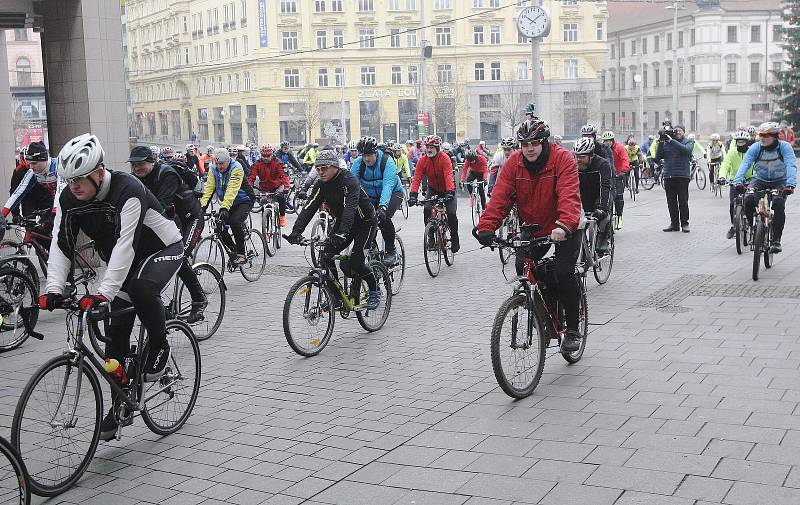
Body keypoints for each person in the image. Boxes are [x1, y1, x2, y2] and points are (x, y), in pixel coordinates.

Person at [40, 133, 184, 441]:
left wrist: (104, 292)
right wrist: (53, 287)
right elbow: (61, 245)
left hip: (161, 249)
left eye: (79, 178)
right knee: (115, 337)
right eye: (68, 180)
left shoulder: (127, 189)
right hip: (126, 262)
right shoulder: (70, 200)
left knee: (144, 290)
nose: (73, 186)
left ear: (98, 171)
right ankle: (121, 404)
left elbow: (125, 246)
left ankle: (160, 344)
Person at [475, 118, 583, 352]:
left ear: (544, 142)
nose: (530, 148)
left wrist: (564, 225)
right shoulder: (514, 163)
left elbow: (569, 196)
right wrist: (486, 227)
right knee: (522, 266)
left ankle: (572, 329)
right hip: (534, 226)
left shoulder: (562, 159)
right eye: (524, 144)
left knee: (564, 273)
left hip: (565, 226)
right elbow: (500, 198)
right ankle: (543, 310)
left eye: (534, 142)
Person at [286, 149, 381, 309]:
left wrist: (342, 233)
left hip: (365, 223)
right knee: (326, 255)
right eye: (318, 168)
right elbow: (309, 207)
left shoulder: (349, 180)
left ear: (335, 167)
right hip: (344, 222)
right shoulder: (321, 184)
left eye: (324, 168)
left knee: (356, 262)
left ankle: (374, 289)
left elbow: (350, 208)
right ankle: (335, 298)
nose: (320, 172)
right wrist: (296, 232)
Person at [127, 146, 207, 324]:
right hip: (172, 221)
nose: (136, 168)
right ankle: (158, 304)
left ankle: (199, 299)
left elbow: (161, 205)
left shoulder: (167, 174)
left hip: (191, 218)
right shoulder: (135, 179)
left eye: (140, 164)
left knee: (180, 256)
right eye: (133, 165)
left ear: (152, 161)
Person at [734, 122, 797, 253]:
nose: (762, 137)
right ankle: (753, 227)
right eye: (760, 135)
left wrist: (790, 184)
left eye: (766, 135)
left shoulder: (784, 147)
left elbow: (791, 165)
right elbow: (745, 164)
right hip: (759, 179)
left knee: (779, 204)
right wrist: (738, 181)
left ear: (775, 136)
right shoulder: (756, 147)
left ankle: (776, 241)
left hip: (780, 181)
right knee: (749, 199)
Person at [349, 136, 404, 265]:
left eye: (369, 155)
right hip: (370, 196)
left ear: (376, 152)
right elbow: (351, 185)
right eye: (364, 155)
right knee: (366, 221)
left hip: (393, 193)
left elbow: (388, 186)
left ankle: (391, 250)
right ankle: (371, 248)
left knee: (383, 218)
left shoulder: (387, 161)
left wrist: (383, 206)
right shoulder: (358, 163)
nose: (366, 159)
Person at [200, 148, 255, 265]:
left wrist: (224, 208)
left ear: (228, 161)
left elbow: (232, 190)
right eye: (217, 163)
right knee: (218, 225)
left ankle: (241, 254)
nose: (219, 167)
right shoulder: (213, 169)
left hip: (244, 200)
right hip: (229, 202)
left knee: (235, 222)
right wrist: (202, 207)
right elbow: (209, 188)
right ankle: (233, 250)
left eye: (222, 164)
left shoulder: (237, 168)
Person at [409, 135, 460, 253]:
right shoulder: (423, 160)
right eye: (427, 147)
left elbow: (448, 175)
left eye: (432, 147)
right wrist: (413, 194)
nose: (429, 150)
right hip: (433, 189)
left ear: (437, 148)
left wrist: (450, 192)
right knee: (427, 209)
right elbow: (417, 177)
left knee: (451, 213)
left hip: (448, 189)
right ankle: (431, 236)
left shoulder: (444, 158)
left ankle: (455, 237)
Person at [2, 142, 62, 231]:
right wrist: (3, 214)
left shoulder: (58, 167)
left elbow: (60, 191)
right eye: (29, 163)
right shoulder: (31, 172)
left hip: (65, 199)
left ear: (44, 160)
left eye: (34, 163)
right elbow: (18, 192)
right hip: (50, 202)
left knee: (61, 233)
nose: (31, 167)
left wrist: (53, 214)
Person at [574, 137, 613, 253]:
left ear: (591, 155)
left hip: (599, 194)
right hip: (583, 195)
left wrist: (602, 207)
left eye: (582, 157)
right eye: (576, 156)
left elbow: (605, 187)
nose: (578, 160)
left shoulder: (603, 164)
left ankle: (602, 238)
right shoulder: (573, 165)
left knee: (603, 215)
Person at [656, 124, 694, 232]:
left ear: (684, 132)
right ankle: (674, 224)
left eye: (680, 131)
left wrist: (672, 141)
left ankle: (685, 224)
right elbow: (658, 157)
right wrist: (660, 142)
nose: (677, 132)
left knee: (683, 201)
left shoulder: (688, 141)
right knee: (671, 202)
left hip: (682, 176)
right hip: (668, 176)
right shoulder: (666, 143)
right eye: (676, 131)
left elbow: (686, 151)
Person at [718, 130, 754, 239]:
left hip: (750, 180)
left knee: (751, 202)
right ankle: (734, 225)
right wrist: (722, 177)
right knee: (732, 204)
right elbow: (725, 165)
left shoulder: (752, 152)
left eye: (743, 142)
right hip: (735, 180)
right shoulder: (732, 152)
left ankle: (752, 224)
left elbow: (757, 165)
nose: (740, 144)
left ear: (747, 142)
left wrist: (756, 177)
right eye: (738, 142)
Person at [248, 144, 291, 228]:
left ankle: (282, 216)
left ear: (272, 154)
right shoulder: (257, 163)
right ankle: (266, 228)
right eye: (264, 156)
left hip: (276, 186)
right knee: (264, 204)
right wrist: (249, 187)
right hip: (264, 188)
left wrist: (286, 186)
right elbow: (251, 176)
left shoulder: (278, 162)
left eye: (268, 156)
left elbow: (283, 175)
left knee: (281, 198)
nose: (266, 158)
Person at [601, 131, 630, 230]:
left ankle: (619, 217)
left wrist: (623, 171)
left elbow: (625, 159)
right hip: (606, 176)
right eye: (605, 141)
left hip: (618, 175)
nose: (607, 143)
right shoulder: (602, 149)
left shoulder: (620, 148)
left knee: (618, 197)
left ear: (613, 141)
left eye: (609, 141)